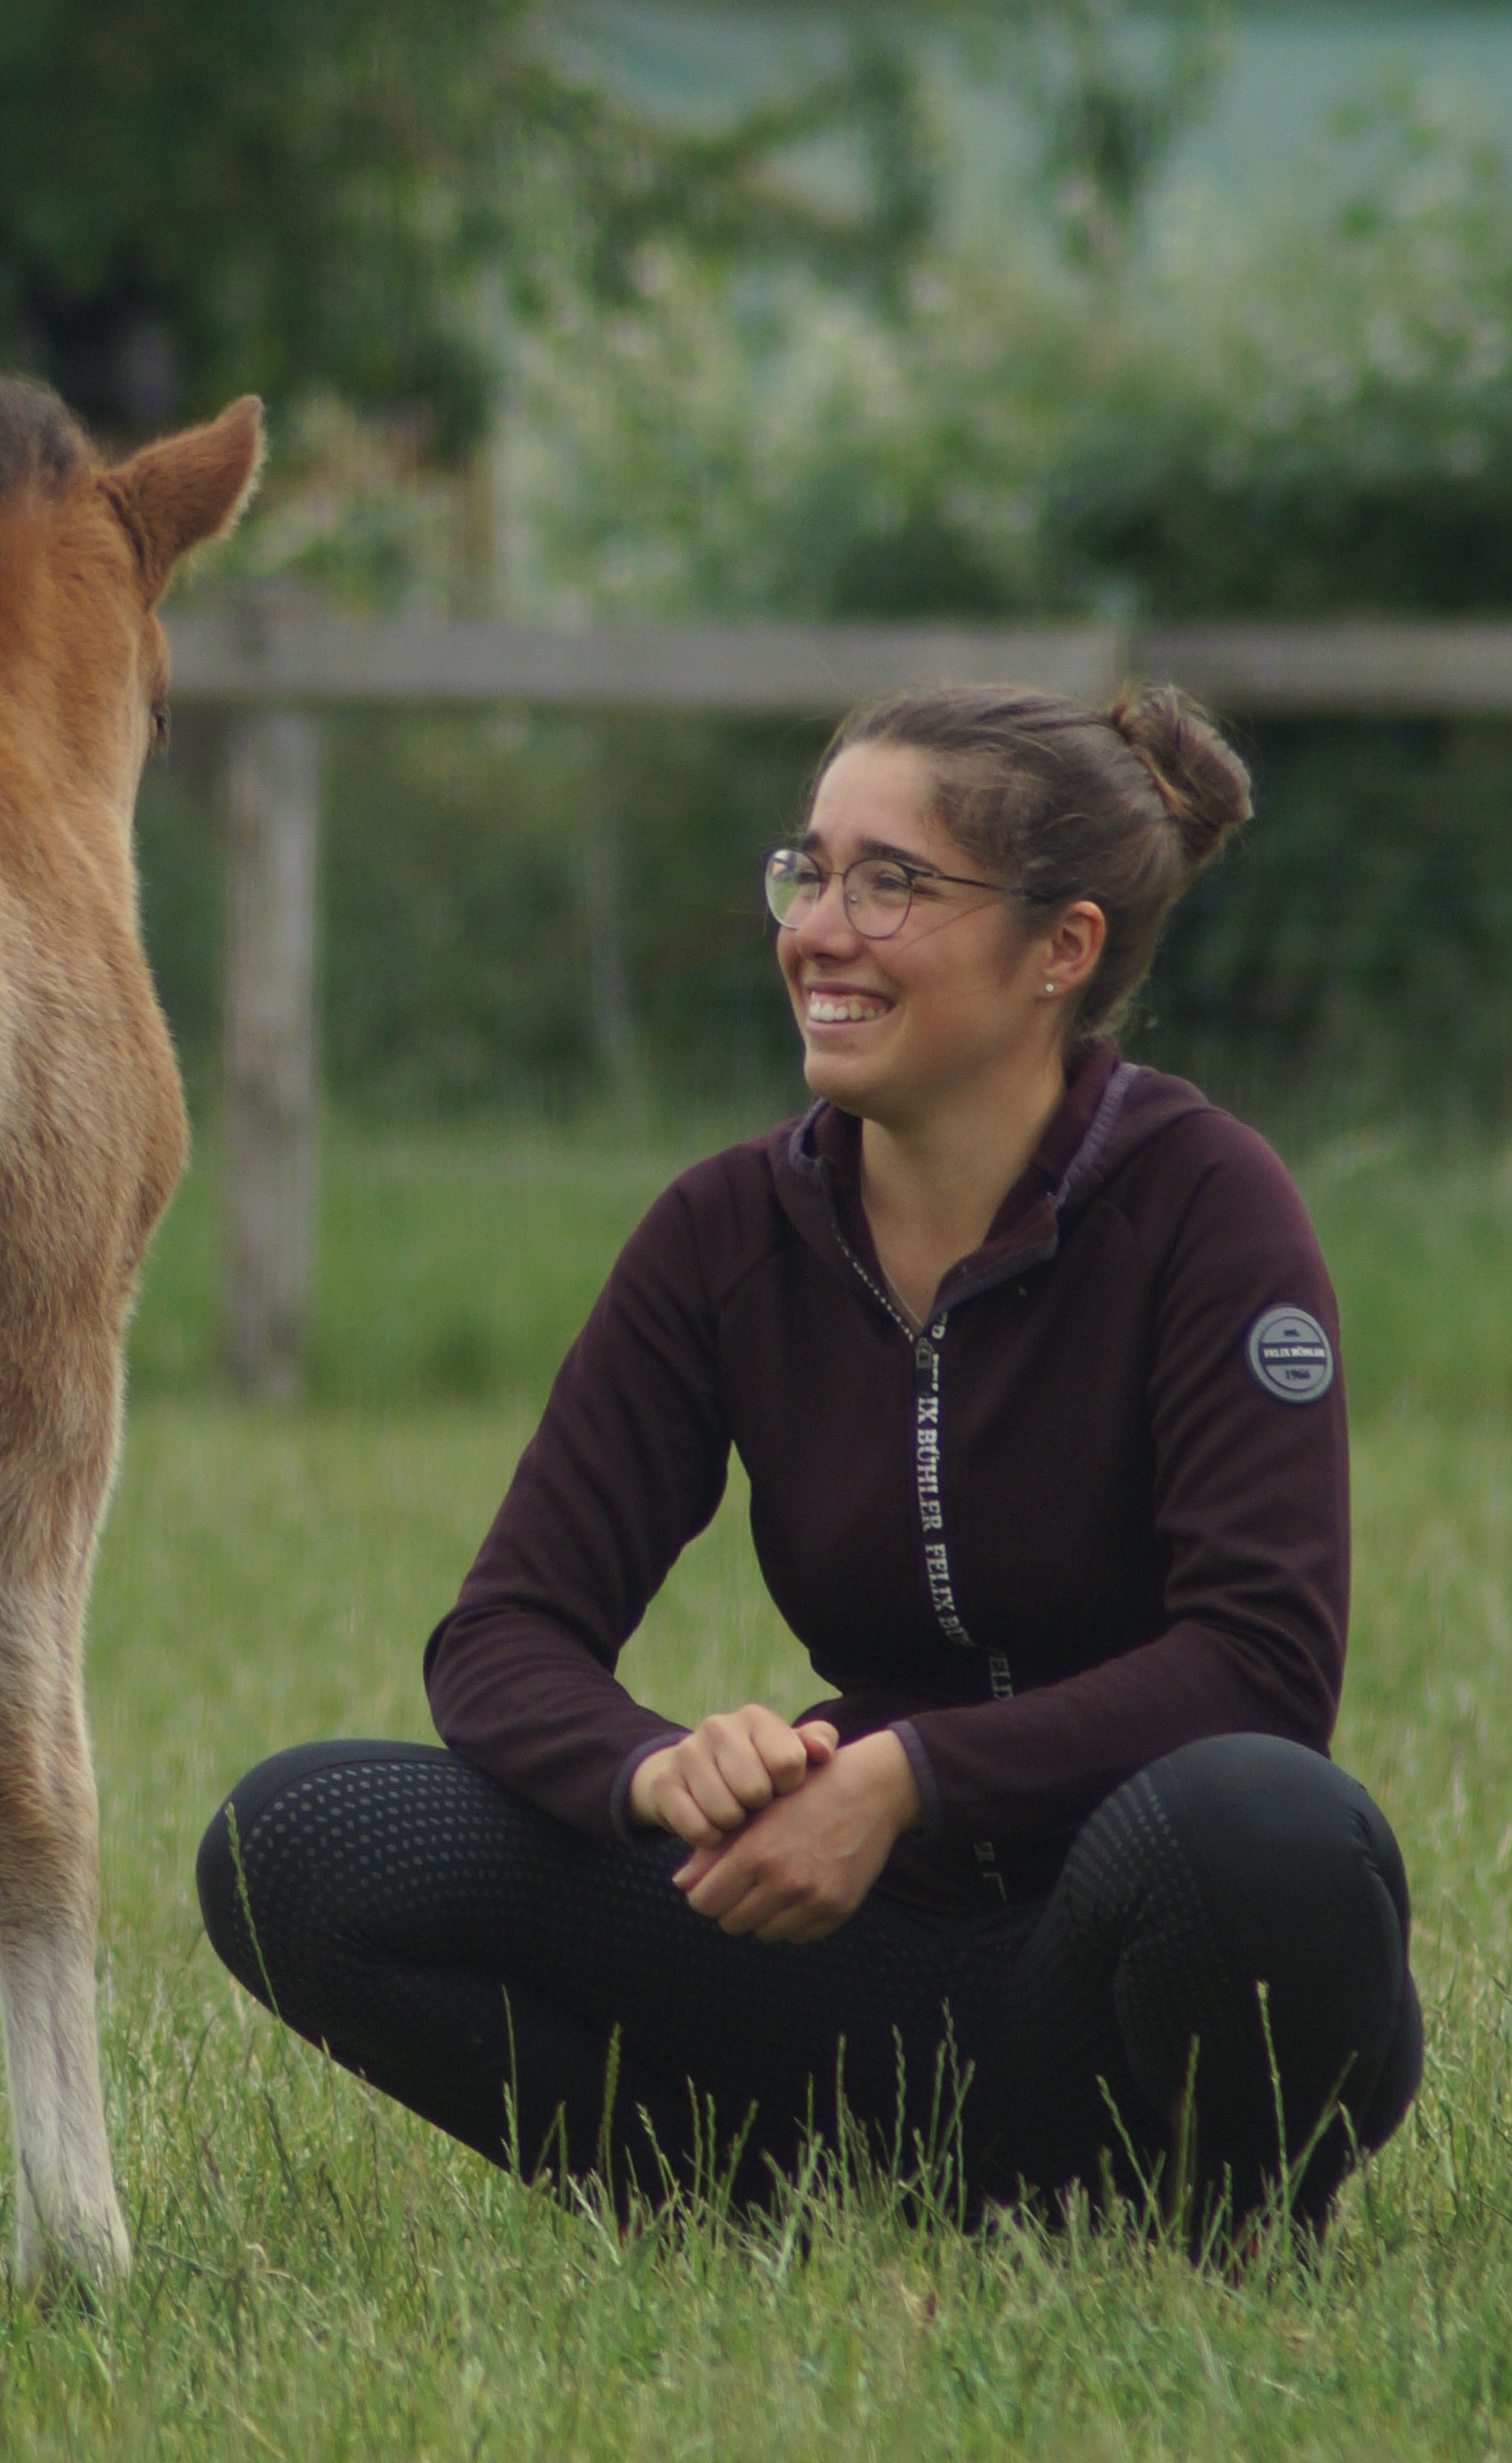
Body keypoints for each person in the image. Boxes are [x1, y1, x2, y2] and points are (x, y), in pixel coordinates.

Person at [195, 684, 1421, 2241]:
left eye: (888, 883)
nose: (819, 929)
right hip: (836, 1966)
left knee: (1273, 1829)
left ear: (1062, 949)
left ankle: (1200, 2220)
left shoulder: (1204, 1207)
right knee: (296, 1837)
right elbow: (505, 1634)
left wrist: (905, 1780)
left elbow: (1259, 1667)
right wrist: (653, 1770)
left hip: (1117, 1954)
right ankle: (748, 2214)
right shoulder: (723, 1233)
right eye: (809, 871)